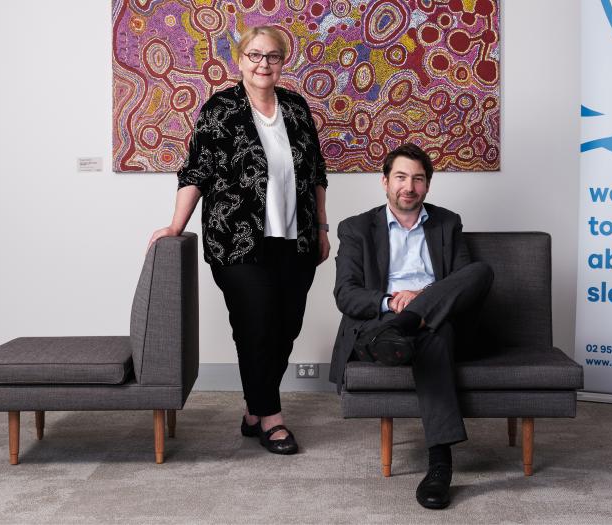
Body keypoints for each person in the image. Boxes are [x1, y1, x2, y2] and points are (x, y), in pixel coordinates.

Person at [150, 26, 329, 455]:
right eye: (254, 55)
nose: (263, 64)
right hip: (237, 242)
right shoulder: (221, 109)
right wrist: (175, 225)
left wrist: (322, 227)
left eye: (272, 56)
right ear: (240, 59)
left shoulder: (297, 108)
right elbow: (196, 171)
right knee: (257, 324)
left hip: (296, 238)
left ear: (283, 61)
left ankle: (253, 409)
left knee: (287, 325)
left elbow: (317, 172)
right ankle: (271, 417)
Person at [330, 144, 493, 509]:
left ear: (428, 186)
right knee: (435, 336)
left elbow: (462, 284)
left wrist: (420, 299)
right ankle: (440, 465)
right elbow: (346, 294)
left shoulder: (448, 223)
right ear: (385, 182)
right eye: (401, 177)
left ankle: (408, 321)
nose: (410, 186)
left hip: (430, 316)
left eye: (418, 178)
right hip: (383, 320)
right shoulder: (356, 228)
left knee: (478, 275)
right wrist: (390, 302)